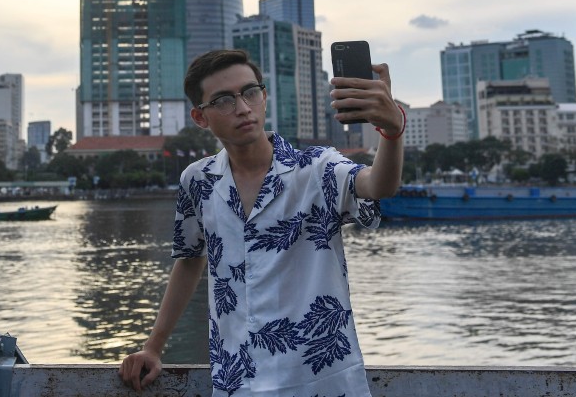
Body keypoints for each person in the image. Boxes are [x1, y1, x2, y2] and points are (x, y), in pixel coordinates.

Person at [119, 49, 405, 397]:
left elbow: (379, 185)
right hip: (238, 382)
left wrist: (391, 130)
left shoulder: (316, 168)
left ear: (264, 96)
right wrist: (153, 347)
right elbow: (189, 259)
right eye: (223, 100)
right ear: (200, 117)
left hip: (321, 380)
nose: (242, 108)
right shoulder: (198, 180)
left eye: (250, 92)